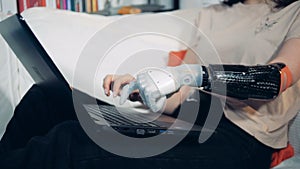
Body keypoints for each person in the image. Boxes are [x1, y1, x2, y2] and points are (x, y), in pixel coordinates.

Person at [0, 0, 299, 169]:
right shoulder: (212, 15)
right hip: (192, 120)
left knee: (73, 140)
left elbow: (273, 80)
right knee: (47, 100)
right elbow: (183, 95)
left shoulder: (295, 12)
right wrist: (147, 90)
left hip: (242, 139)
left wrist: (189, 75)